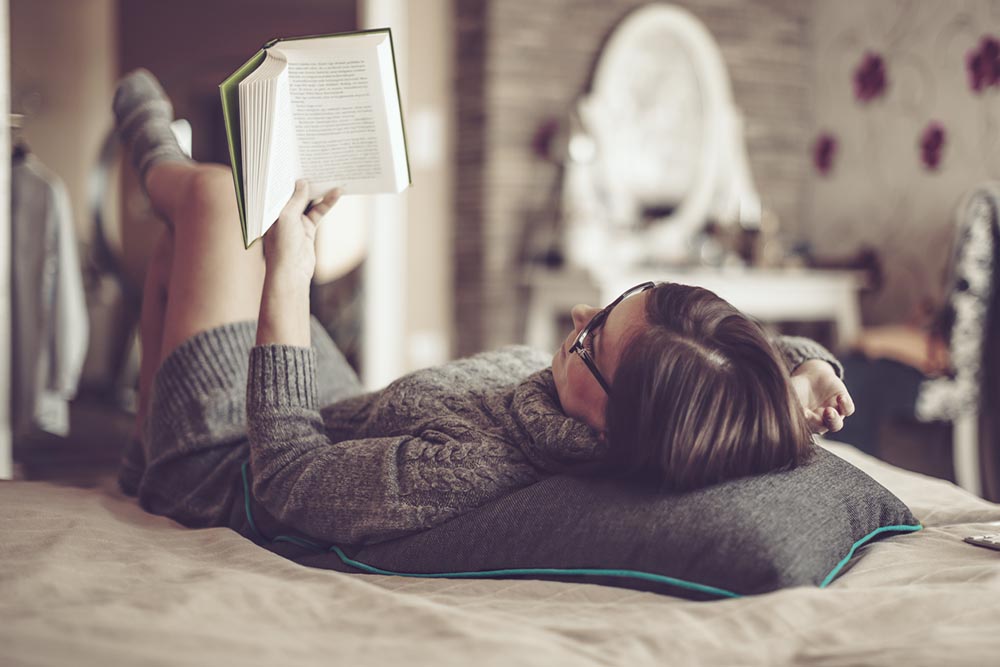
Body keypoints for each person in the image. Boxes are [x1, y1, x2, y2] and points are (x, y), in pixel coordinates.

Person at [114, 70, 854, 546]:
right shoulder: (620, 401)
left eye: (593, 338)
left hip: (230, 461)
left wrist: (290, 275)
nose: (578, 314)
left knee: (215, 200)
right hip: (336, 405)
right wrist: (800, 365)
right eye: (621, 301)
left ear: (617, 422)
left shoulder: (469, 468)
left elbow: (285, 479)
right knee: (193, 249)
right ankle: (141, 447)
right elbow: (717, 368)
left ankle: (152, 153)